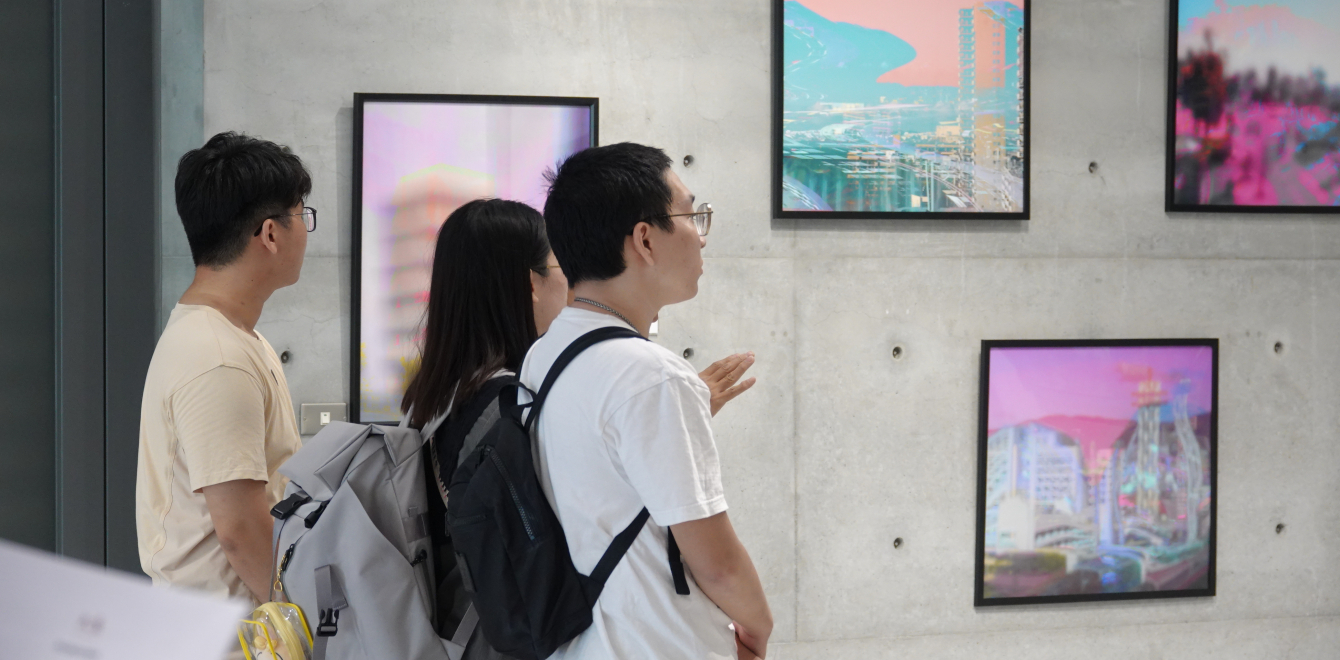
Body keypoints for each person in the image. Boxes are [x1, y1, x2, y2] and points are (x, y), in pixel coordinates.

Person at [526, 142, 772, 660]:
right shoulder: (653, 377)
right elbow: (718, 566)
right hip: (660, 645)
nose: (701, 236)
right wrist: (758, 629)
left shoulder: (547, 352)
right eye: (691, 216)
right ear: (644, 239)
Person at [136, 132, 314, 603]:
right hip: (228, 631)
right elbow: (240, 530)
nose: (305, 231)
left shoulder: (229, 337)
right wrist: (304, 620)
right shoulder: (218, 358)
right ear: (270, 234)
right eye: (302, 215)